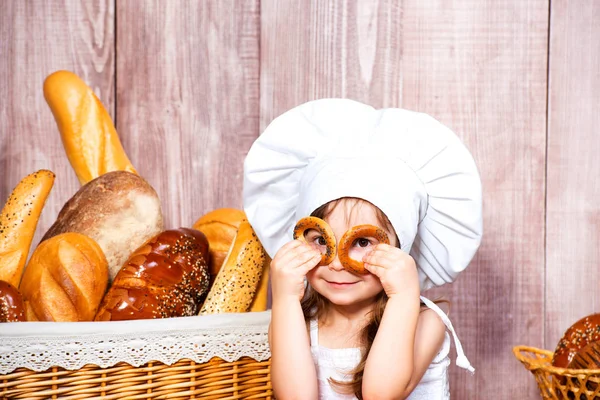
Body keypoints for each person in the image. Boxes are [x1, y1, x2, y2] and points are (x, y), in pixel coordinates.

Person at [243, 99, 483, 399]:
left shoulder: (424, 321)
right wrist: (286, 299)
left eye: (362, 242)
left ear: (401, 250)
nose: (338, 264)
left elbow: (380, 394)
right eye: (321, 239)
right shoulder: (298, 320)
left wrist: (404, 295)